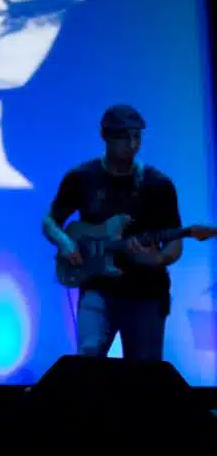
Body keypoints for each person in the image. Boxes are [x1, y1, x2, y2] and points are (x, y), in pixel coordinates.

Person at [41, 105, 183, 361]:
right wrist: (65, 242)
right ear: (105, 136)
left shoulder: (158, 185)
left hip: (146, 293)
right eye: (124, 137)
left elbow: (174, 241)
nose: (132, 145)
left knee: (144, 374)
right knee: (88, 360)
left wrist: (158, 258)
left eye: (137, 137)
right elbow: (50, 221)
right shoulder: (81, 177)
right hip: (97, 288)